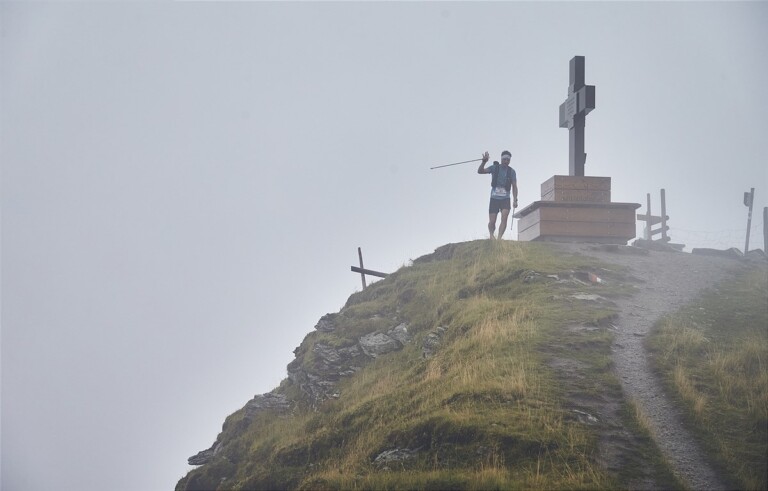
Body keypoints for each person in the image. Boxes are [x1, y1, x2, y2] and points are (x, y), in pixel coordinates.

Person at [477, 150, 518, 240]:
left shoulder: (512, 172)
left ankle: (499, 239)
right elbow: (480, 171)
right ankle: (491, 236)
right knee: (492, 222)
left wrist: (515, 199)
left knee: (504, 217)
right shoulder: (494, 168)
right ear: (501, 159)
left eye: (508, 160)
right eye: (504, 159)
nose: (506, 161)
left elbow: (514, 186)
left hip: (505, 198)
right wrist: (484, 162)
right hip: (494, 198)